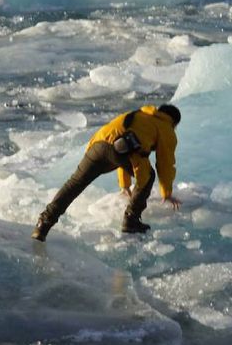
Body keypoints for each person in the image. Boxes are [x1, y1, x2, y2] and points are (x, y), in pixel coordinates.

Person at [32, 104, 182, 242]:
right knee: (149, 177)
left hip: (98, 145)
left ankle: (43, 224)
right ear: (174, 123)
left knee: (75, 184)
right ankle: (131, 221)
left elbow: (123, 145)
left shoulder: (138, 115)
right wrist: (166, 193)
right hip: (120, 152)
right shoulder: (165, 128)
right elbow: (165, 163)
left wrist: (125, 185)